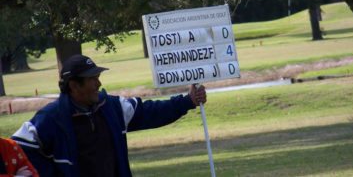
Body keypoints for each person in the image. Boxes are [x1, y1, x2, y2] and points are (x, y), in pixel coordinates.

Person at [12, 54, 207, 177]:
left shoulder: (112, 107)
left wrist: (187, 101)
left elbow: (151, 112)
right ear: (73, 85)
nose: (98, 83)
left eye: (98, 77)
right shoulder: (51, 118)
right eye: (92, 79)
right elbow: (17, 149)